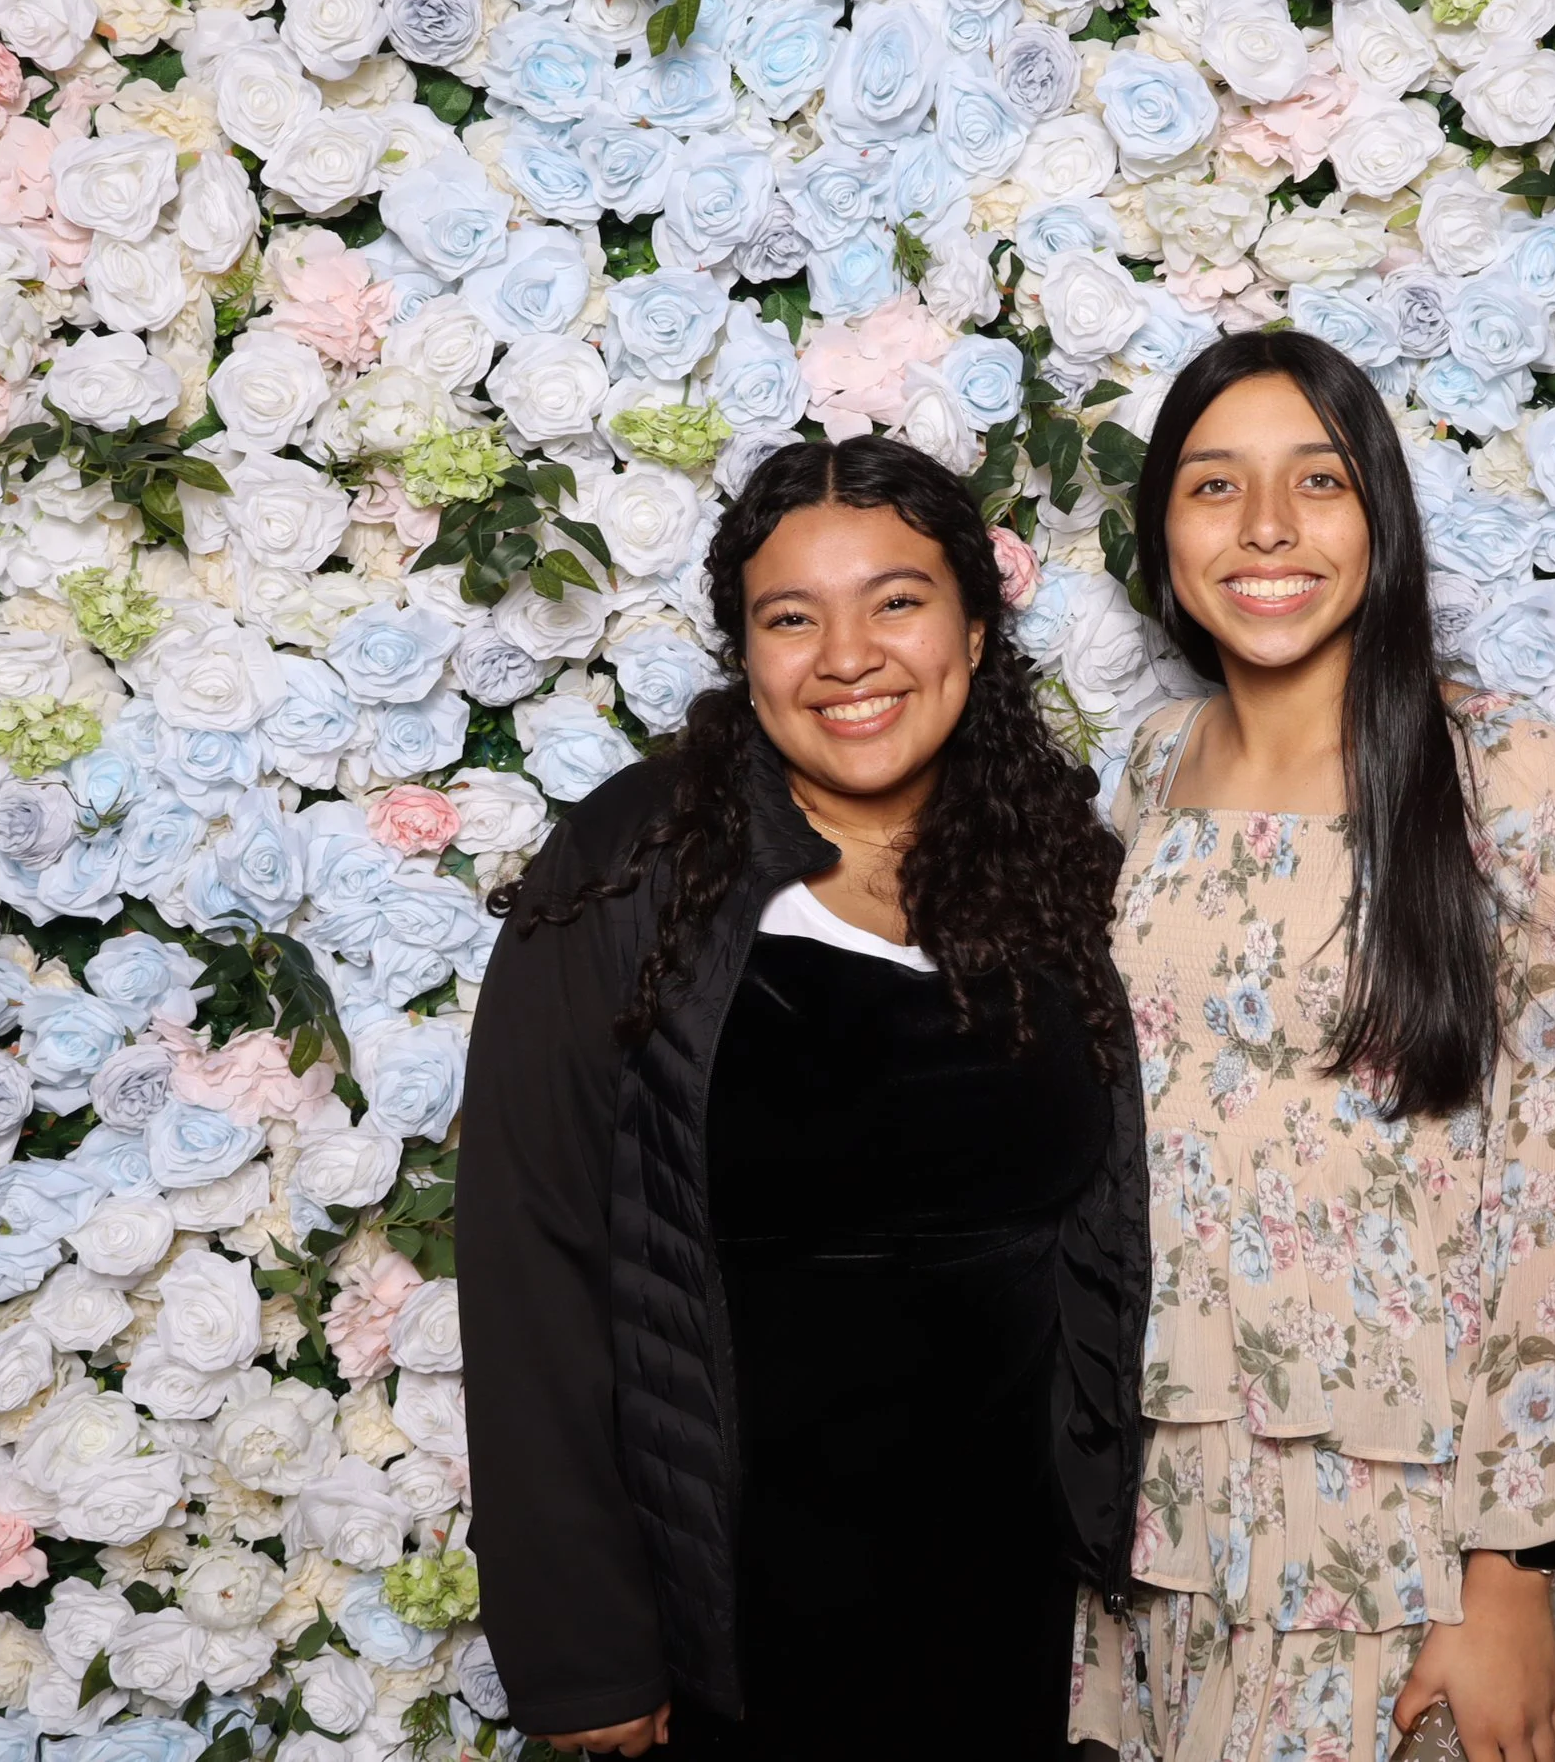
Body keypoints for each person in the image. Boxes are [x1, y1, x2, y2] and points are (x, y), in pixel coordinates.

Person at [458, 436, 1150, 1761]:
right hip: (732, 1618)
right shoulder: (634, 862)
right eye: (792, 617)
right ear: (744, 650)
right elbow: (530, 1250)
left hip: (1017, 1605)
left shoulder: (1059, 861)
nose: (848, 656)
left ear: (975, 627)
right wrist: (581, 1650)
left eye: (896, 600)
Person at [1068, 332, 1555, 1762]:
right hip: (1156, 1498)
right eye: (1215, 485)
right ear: (1163, 536)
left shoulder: (1497, 766)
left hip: (1398, 1522)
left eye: (1317, 480)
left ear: (1378, 516)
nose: (1267, 527)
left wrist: (1510, 1581)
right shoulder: (1148, 768)